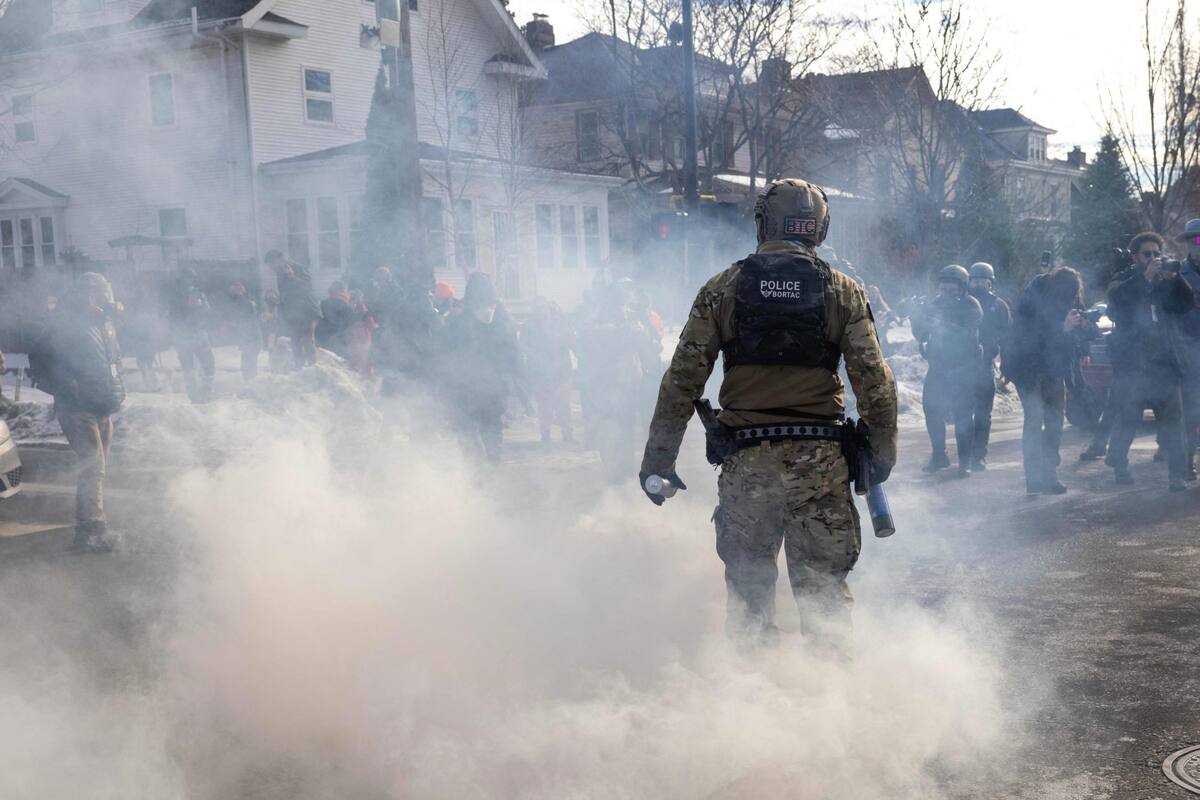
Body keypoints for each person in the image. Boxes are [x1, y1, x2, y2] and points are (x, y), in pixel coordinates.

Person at [639, 179, 898, 647]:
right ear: (819, 227)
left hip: (747, 467)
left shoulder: (723, 289)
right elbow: (876, 386)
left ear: (763, 223)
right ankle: (834, 705)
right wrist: (880, 456)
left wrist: (658, 461)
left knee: (749, 605)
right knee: (825, 606)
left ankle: (755, 707)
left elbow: (682, 380)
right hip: (820, 470)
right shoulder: (842, 291)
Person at [39, 273, 126, 552]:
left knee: (96, 470)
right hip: (78, 408)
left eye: (106, 291)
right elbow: (46, 360)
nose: (107, 297)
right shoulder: (67, 322)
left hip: (102, 404)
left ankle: (89, 530)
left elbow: (113, 358)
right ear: (88, 294)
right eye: (101, 292)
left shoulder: (105, 322)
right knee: (93, 468)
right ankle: (91, 533)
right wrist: (70, 387)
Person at [1104, 233, 1191, 490]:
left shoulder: (1166, 281)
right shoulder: (1124, 281)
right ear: (1135, 257)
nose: (1153, 258)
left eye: (1156, 253)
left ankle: (1177, 475)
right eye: (1147, 254)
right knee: (1128, 418)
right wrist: (1145, 278)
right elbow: (1116, 304)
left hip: (1164, 364)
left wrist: (1175, 280)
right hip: (1134, 367)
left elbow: (1185, 304)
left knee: (1174, 422)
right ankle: (1118, 463)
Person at [1002, 267, 1087, 495]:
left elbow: (1070, 345)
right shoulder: (1032, 300)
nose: (1072, 297)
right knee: (1035, 418)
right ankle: (1033, 478)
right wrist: (1062, 328)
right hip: (1027, 370)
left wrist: (1081, 328)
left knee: (1055, 421)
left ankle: (1049, 474)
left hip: (1053, 371)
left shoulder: (1069, 303)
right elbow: (1029, 339)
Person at [438, 272, 524, 462]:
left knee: (469, 437)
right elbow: (515, 357)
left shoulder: (457, 321)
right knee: (491, 435)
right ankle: (488, 475)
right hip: (492, 390)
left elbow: (444, 356)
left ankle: (477, 480)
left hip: (466, 390)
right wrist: (515, 385)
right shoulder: (503, 321)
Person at [912, 265, 983, 477]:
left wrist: (942, 324)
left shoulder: (972, 305)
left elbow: (967, 333)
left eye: (952, 291)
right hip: (939, 367)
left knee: (963, 415)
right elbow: (921, 334)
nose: (947, 294)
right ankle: (939, 455)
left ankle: (965, 461)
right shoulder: (935, 304)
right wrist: (918, 316)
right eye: (944, 290)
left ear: (962, 289)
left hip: (963, 368)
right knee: (931, 409)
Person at [967, 262, 1012, 470]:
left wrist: (1008, 365)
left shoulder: (998, 305)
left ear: (990, 282)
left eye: (982, 281)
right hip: (963, 366)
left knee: (983, 414)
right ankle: (964, 454)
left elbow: (1008, 336)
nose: (978, 284)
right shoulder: (963, 302)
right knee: (963, 412)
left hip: (985, 366)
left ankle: (979, 455)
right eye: (974, 280)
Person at [1168, 218, 1200, 478]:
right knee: (1190, 412)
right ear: (1188, 244)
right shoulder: (1176, 273)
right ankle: (1187, 461)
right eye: (1195, 240)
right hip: (1188, 351)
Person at [521, 297, 576, 445]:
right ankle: (545, 435)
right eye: (538, 308)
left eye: (543, 307)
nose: (541, 311)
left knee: (564, 404)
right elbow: (524, 346)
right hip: (540, 373)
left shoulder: (560, 323)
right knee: (545, 405)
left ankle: (567, 433)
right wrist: (537, 358)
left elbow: (571, 341)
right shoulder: (528, 326)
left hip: (562, 371)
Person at [166, 268, 215, 403]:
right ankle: (195, 396)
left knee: (209, 365)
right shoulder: (174, 295)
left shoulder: (198, 293)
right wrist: (186, 308)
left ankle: (205, 393)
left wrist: (200, 307)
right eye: (188, 279)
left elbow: (208, 311)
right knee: (189, 369)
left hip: (199, 333)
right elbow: (171, 316)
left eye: (192, 279)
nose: (190, 282)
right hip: (183, 336)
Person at [265, 250, 320, 368]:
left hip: (307, 309)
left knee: (307, 339)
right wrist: (276, 300)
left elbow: (307, 287)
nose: (271, 268)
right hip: (293, 312)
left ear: (279, 260)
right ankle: (299, 368)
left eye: (271, 264)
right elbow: (287, 295)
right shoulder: (279, 274)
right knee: (295, 341)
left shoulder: (297, 268)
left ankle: (313, 368)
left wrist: (292, 277)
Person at [225, 281, 261, 382]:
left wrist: (235, 324)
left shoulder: (247, 302)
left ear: (241, 291)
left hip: (252, 338)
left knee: (250, 363)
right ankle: (249, 383)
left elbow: (250, 320)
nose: (233, 293)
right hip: (247, 338)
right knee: (247, 362)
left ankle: (252, 383)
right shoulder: (240, 302)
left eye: (235, 290)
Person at [316, 280, 354, 358]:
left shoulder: (324, 303)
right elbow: (349, 323)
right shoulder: (348, 306)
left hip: (323, 336)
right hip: (341, 339)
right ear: (344, 291)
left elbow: (318, 318)